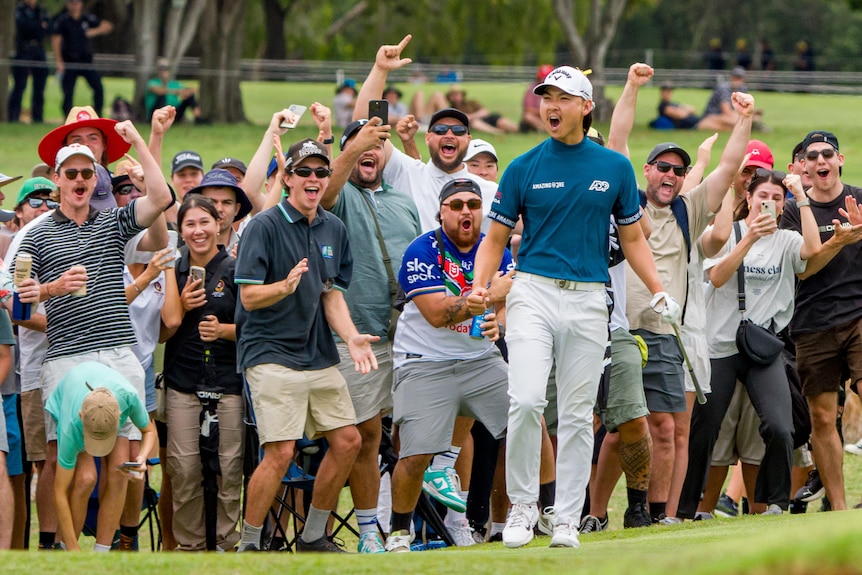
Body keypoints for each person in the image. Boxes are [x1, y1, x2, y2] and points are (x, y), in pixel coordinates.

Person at [469, 65, 675, 550]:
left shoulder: (614, 168)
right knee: (524, 401)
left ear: (585, 106)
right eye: (546, 98)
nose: (550, 106)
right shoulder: (523, 167)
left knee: (581, 416)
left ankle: (565, 519)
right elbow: (494, 238)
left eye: (562, 98)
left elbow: (632, 237)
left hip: (588, 298)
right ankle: (523, 507)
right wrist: (480, 288)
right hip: (532, 293)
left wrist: (657, 286)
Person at [13, 119, 172, 552]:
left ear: (95, 179)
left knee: (121, 464)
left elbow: (161, 198)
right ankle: (69, 549)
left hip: (120, 352)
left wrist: (138, 139)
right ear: (59, 181)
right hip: (68, 357)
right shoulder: (37, 235)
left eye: (88, 173)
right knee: (82, 473)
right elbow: (18, 305)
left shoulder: (112, 223)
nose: (80, 180)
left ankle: (103, 553)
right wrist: (52, 288)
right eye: (72, 174)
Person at [621, 85, 757, 523]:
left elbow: (729, 166)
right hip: (619, 330)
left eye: (678, 170)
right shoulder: (627, 202)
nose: (671, 175)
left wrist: (744, 118)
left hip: (666, 334)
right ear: (647, 170)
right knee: (614, 432)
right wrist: (632, 87)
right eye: (663, 167)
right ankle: (592, 511)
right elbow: (617, 144)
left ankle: (653, 514)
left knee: (666, 429)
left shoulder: (689, 209)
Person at [234, 138, 378, 553]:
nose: (314, 179)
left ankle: (313, 536)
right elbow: (248, 299)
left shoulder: (333, 227)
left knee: (349, 441)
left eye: (321, 172)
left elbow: (330, 294)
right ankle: (249, 546)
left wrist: (350, 336)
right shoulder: (264, 226)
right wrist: (284, 286)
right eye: (304, 172)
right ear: (288, 178)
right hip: (269, 353)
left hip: (317, 354)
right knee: (279, 453)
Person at [679, 170, 823, 518]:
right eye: (763, 196)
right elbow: (716, 275)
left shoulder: (788, 241)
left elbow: (815, 250)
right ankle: (687, 509)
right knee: (704, 428)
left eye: (777, 198)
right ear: (749, 199)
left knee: (779, 425)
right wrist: (749, 239)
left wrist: (800, 196)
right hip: (720, 346)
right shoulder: (731, 233)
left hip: (763, 348)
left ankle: (775, 503)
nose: (769, 203)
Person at [384, 178, 513, 552]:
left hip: (478, 359)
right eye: (456, 205)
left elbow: (507, 305)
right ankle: (398, 533)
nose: (465, 212)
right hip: (425, 360)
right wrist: (487, 299)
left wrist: (499, 320)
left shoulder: (496, 248)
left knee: (527, 421)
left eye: (473, 204)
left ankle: (548, 512)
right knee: (416, 454)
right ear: (441, 211)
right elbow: (438, 314)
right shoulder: (422, 249)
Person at [321, 118, 420, 553]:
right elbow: (324, 192)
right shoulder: (338, 199)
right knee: (364, 434)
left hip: (411, 335)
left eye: (379, 144)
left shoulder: (403, 201)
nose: (371, 150)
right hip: (358, 335)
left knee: (413, 434)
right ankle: (366, 532)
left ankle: (402, 525)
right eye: (361, 144)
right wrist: (350, 148)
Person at [778, 130, 862, 511]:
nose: (821, 161)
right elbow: (802, 271)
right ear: (804, 166)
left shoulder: (860, 199)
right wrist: (839, 241)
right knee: (823, 418)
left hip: (858, 315)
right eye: (813, 156)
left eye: (828, 153)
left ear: (839, 159)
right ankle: (840, 510)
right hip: (812, 321)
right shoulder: (794, 210)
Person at [352, 35, 498, 233]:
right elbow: (363, 128)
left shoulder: (488, 191)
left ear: (468, 140)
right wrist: (380, 69)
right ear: (428, 138)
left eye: (458, 130)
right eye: (439, 130)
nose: (449, 134)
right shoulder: (408, 172)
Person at [163, 195, 243, 551]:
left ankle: (226, 543)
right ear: (180, 230)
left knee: (229, 466)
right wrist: (180, 304)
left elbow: (259, 327)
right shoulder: (174, 269)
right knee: (183, 469)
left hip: (228, 382)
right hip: (182, 381)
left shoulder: (236, 267)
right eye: (190, 224)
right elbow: (160, 333)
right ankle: (190, 548)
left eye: (204, 222)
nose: (198, 231)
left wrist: (224, 331)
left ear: (219, 223)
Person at [41, 361, 157, 552]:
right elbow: (59, 492)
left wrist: (142, 458)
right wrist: (73, 547)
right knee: (86, 478)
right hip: (70, 395)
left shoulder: (128, 397)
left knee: (119, 469)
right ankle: (65, 549)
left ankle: (101, 552)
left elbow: (149, 430)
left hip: (111, 402)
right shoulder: (71, 424)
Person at [51, 0, 113, 117]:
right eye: (72, 3)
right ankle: (68, 117)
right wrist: (59, 61)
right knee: (68, 93)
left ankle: (97, 114)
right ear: (67, 5)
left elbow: (107, 26)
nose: (75, 6)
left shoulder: (87, 19)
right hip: (70, 61)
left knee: (98, 88)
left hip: (85, 61)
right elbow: (56, 41)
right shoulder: (63, 21)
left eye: (77, 3)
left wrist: (94, 31)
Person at [184, 169, 252, 254]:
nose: (219, 209)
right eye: (212, 202)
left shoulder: (247, 250)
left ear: (236, 209)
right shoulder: (179, 253)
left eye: (226, 202)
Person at [9, 0, 51, 124]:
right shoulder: (19, 10)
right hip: (24, 50)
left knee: (40, 86)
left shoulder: (41, 10)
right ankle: (13, 116)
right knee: (20, 85)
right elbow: (24, 26)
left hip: (39, 50)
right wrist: (39, 25)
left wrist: (37, 27)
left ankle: (38, 117)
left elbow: (49, 28)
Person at [444, 86, 519, 135]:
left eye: (457, 94)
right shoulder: (452, 109)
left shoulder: (471, 102)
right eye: (453, 95)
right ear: (450, 98)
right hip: (476, 123)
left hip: (487, 118)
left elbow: (485, 111)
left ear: (462, 95)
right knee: (475, 123)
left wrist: (470, 116)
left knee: (503, 123)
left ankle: (521, 129)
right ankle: (497, 132)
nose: (456, 97)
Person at [145, 58, 202, 123]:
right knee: (161, 97)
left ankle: (198, 118)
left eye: (166, 69)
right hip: (156, 113)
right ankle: (161, 120)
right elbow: (158, 90)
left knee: (190, 97)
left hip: (173, 112)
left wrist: (188, 92)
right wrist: (176, 91)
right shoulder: (153, 82)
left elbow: (186, 90)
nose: (164, 71)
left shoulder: (173, 83)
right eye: (162, 69)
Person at [697, 67, 749, 132]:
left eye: (739, 78)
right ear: (731, 77)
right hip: (715, 115)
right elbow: (726, 110)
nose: (737, 80)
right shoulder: (724, 88)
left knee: (742, 119)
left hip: (729, 115)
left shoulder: (742, 89)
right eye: (736, 77)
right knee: (739, 121)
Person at [520, 64, 554, 134]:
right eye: (542, 77)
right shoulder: (532, 88)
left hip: (551, 116)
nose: (543, 80)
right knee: (528, 116)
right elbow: (528, 109)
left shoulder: (556, 90)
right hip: (538, 117)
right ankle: (546, 130)